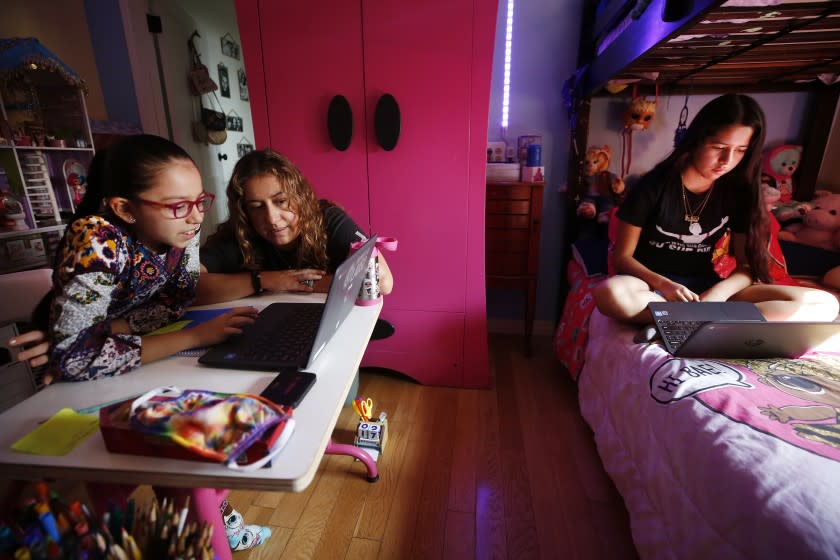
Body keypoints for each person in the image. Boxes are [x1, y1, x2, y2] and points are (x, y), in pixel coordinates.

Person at [33, 134, 270, 552]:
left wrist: (117, 328)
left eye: (200, 201)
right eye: (179, 205)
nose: (195, 217)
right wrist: (193, 337)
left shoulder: (181, 229)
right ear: (125, 207)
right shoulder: (96, 238)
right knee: (129, 459)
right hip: (66, 369)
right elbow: (75, 357)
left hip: (109, 347)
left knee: (179, 437)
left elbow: (176, 301)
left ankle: (204, 519)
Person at [593, 93, 839, 325]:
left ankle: (697, 318)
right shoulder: (654, 185)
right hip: (652, 289)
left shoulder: (738, 190)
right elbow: (622, 258)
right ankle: (705, 319)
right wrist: (666, 285)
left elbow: (745, 267)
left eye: (740, 150)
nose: (727, 161)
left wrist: (716, 296)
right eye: (719, 148)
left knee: (825, 303)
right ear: (697, 140)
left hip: (707, 290)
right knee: (610, 294)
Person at [196, 148, 393, 304]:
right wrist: (265, 280)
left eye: (281, 201)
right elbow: (187, 286)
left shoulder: (329, 220)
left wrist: (297, 283)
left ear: (300, 197)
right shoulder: (242, 233)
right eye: (257, 207)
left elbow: (382, 282)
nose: (272, 218)